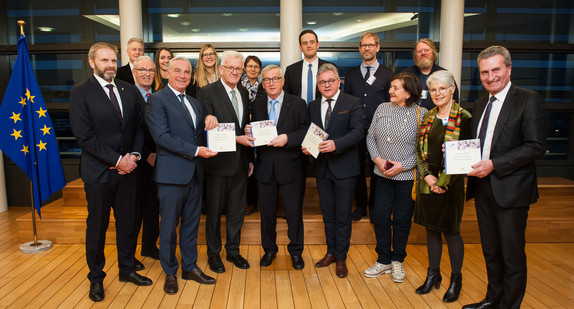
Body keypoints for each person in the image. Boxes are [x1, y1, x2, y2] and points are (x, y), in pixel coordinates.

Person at [463, 46, 547, 309]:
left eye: (496, 70)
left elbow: (536, 146)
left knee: (511, 255)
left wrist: (494, 165)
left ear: (509, 69)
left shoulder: (527, 99)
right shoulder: (479, 104)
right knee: (490, 251)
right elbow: (476, 143)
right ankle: (493, 299)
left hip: (511, 189)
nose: (490, 77)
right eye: (484, 72)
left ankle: (510, 305)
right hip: (482, 187)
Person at [69, 42, 152, 302]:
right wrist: (118, 160)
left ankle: (127, 269)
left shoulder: (128, 90)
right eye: (104, 60)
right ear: (92, 63)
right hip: (99, 174)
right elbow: (85, 137)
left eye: (114, 61)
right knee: (98, 227)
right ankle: (96, 278)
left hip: (129, 172)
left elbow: (139, 127)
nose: (110, 65)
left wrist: (135, 156)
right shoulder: (80, 92)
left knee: (128, 224)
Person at [146, 56, 219, 294]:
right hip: (171, 177)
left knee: (190, 225)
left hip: (194, 175)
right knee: (168, 227)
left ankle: (189, 267)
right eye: (177, 71)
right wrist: (197, 151)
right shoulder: (157, 100)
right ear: (166, 72)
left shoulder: (195, 103)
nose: (182, 76)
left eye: (187, 72)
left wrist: (211, 120)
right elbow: (162, 137)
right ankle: (170, 272)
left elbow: (199, 135)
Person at [413, 70, 471, 303]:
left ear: (452, 89)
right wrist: (427, 177)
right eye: (434, 90)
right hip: (428, 184)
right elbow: (418, 150)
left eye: (442, 89)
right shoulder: (428, 117)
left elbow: (466, 155)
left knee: (452, 232)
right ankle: (432, 275)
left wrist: (443, 184)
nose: (437, 94)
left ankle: (456, 279)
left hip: (452, 184)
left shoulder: (465, 117)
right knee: (431, 230)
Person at [303, 63, 364, 278]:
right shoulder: (312, 105)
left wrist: (336, 144)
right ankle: (330, 251)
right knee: (327, 215)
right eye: (322, 82)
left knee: (342, 216)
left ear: (339, 82)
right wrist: (307, 147)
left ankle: (341, 258)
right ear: (318, 86)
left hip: (345, 169)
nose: (326, 85)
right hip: (322, 169)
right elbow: (312, 133)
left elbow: (358, 132)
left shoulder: (353, 102)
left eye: (330, 81)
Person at [363, 72, 425, 283]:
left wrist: (403, 166)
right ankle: (383, 259)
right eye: (391, 87)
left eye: (396, 88)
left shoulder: (421, 114)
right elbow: (370, 137)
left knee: (401, 220)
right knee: (379, 216)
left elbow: (422, 149)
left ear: (408, 92)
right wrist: (377, 159)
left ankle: (397, 259)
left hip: (407, 178)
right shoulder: (382, 109)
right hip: (381, 175)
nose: (390, 91)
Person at [198, 50, 254, 273]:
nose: (234, 72)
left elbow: (243, 128)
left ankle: (233, 251)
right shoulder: (206, 93)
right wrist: (238, 138)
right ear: (221, 68)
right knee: (213, 213)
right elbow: (207, 131)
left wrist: (249, 159)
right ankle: (213, 254)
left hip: (241, 163)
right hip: (217, 164)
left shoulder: (243, 92)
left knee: (236, 211)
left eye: (238, 68)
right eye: (230, 67)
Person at [248, 65, 309, 270]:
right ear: (262, 84)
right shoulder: (256, 105)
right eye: (267, 80)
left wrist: (287, 138)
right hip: (265, 168)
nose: (271, 83)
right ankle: (269, 250)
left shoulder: (298, 103)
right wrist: (249, 130)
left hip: (291, 167)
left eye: (275, 79)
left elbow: (305, 131)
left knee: (293, 214)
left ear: (283, 81)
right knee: (266, 215)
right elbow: (254, 133)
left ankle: (296, 252)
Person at [344, 31, 394, 221]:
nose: (367, 48)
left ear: (377, 47)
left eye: (370, 45)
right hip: (356, 130)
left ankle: (374, 207)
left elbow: (392, 103)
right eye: (364, 45)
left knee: (378, 169)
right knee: (356, 168)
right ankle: (361, 207)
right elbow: (345, 104)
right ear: (359, 49)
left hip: (379, 131)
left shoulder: (388, 74)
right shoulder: (351, 76)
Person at [131, 55, 160, 261]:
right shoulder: (128, 96)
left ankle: (149, 246)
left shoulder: (157, 96)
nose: (147, 74)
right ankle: (129, 256)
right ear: (134, 72)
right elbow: (131, 131)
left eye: (150, 70)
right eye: (142, 70)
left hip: (158, 162)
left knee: (153, 208)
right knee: (133, 211)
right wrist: (147, 153)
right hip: (138, 161)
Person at [401, 38, 459, 110]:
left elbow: (454, 99)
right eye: (419, 51)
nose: (423, 53)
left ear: (433, 52)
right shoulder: (405, 74)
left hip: (436, 119)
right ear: (415, 55)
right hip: (409, 119)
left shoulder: (444, 74)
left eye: (427, 50)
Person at [240, 55, 264, 215]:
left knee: (260, 165)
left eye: (256, 66)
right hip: (243, 129)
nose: (253, 69)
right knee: (246, 164)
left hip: (261, 128)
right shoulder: (239, 86)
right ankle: (248, 201)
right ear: (245, 68)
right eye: (250, 66)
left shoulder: (264, 85)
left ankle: (256, 202)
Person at [284, 29, 333, 105]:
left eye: (312, 42)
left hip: (323, 113)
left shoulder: (330, 68)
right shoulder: (291, 70)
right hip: (297, 114)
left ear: (317, 45)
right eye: (305, 43)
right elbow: (286, 97)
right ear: (300, 47)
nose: (309, 46)